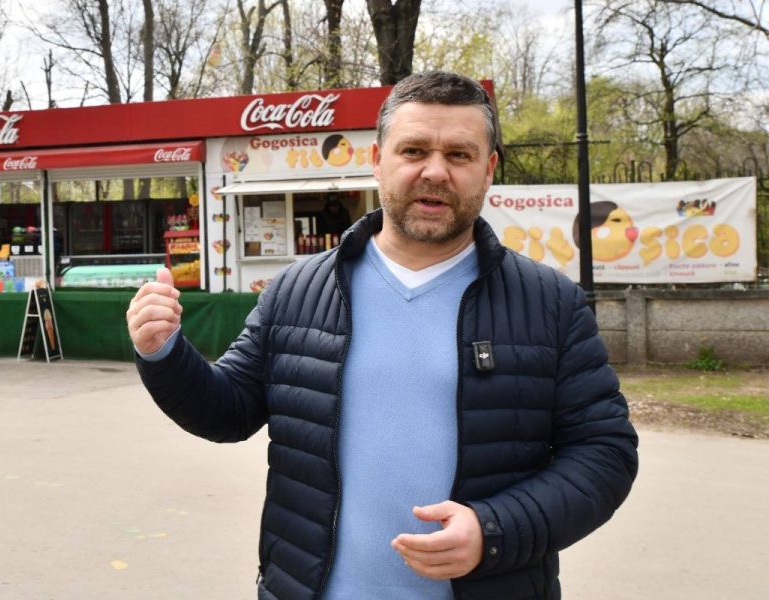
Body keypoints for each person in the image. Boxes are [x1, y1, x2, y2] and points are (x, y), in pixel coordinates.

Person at [125, 71, 638, 600]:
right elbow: (226, 410)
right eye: (413, 150)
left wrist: (495, 531)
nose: (434, 172)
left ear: (488, 171)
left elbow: (604, 453)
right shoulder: (299, 290)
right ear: (377, 161)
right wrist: (162, 352)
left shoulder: (548, 302)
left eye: (459, 156)